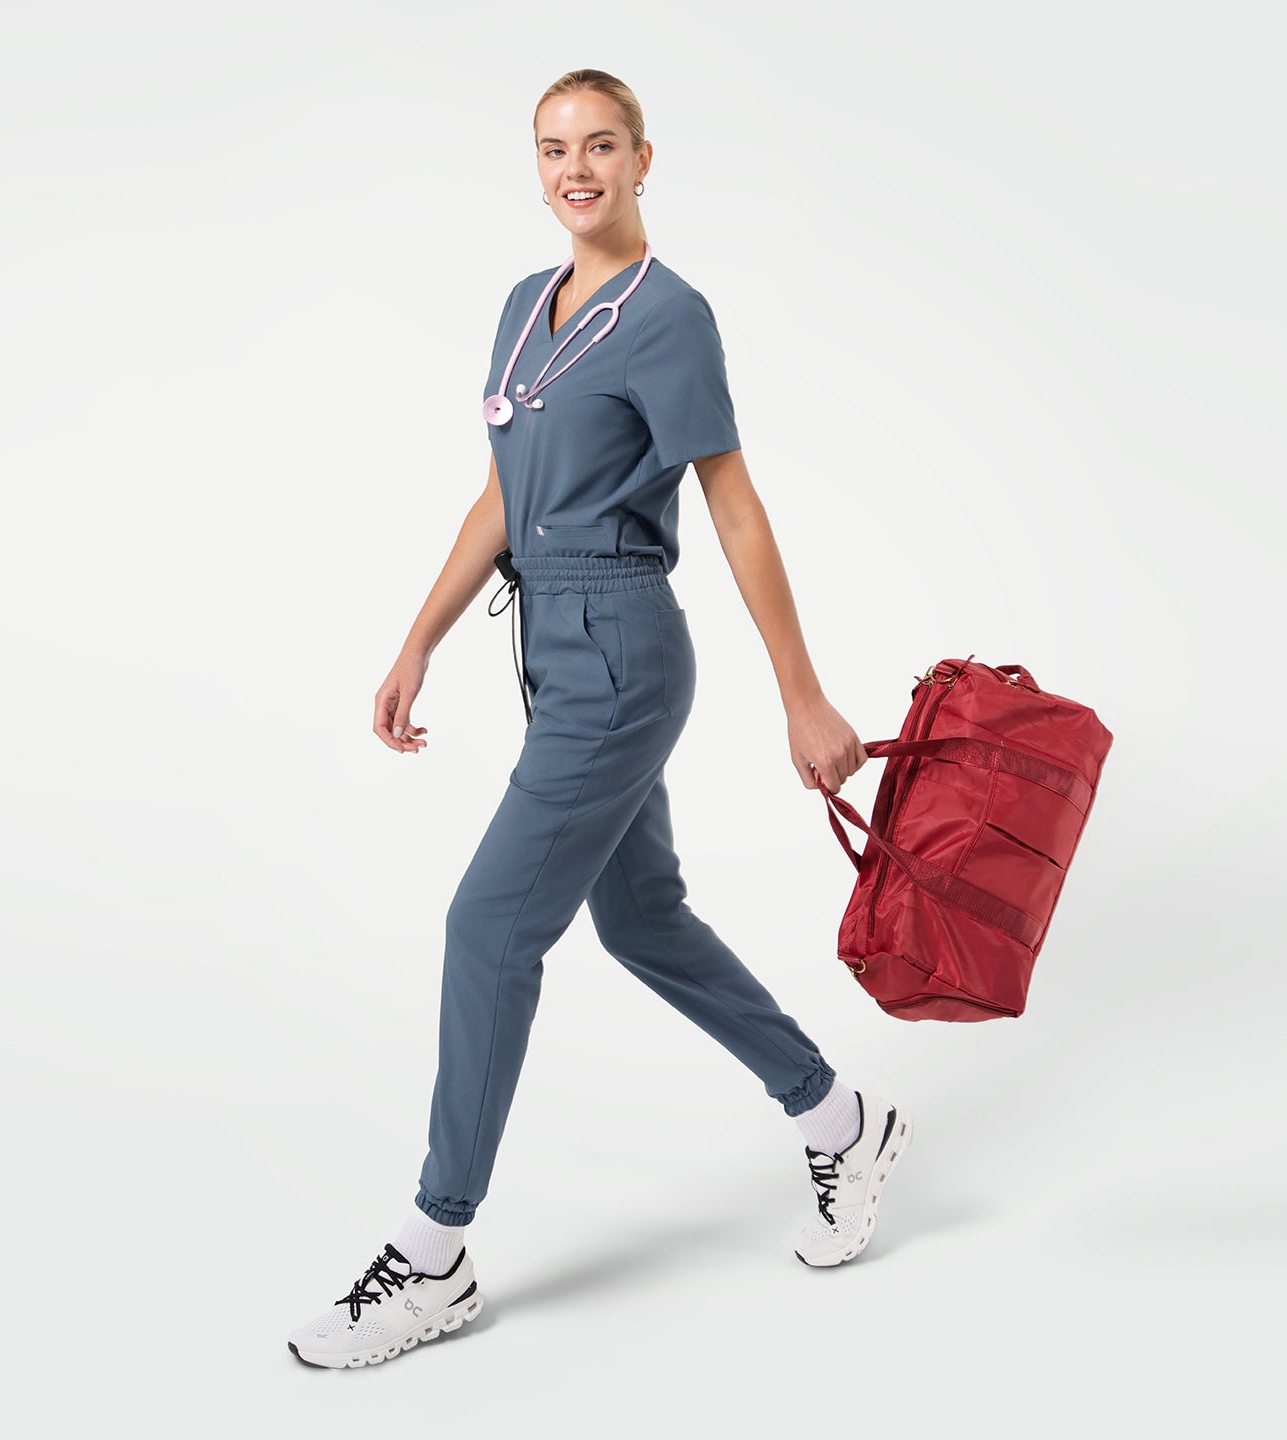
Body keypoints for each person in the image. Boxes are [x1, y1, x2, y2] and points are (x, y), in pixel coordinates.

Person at [287, 69, 911, 1371]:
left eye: (601, 146)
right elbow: (503, 493)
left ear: (642, 159)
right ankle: (837, 1117)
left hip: (624, 649)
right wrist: (418, 638)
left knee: (487, 925)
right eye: (553, 149)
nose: (577, 169)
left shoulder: (670, 319)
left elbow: (736, 507)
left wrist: (802, 692)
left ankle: (435, 1250)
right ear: (538, 166)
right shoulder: (526, 309)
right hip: (549, 650)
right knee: (640, 918)